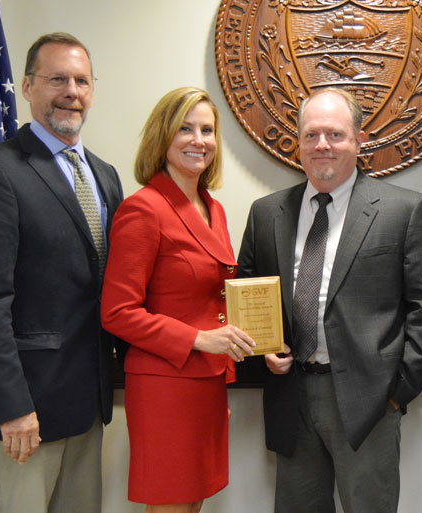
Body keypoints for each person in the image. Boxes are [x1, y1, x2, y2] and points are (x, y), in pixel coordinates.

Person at [237, 87, 422, 513]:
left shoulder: (403, 210)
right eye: (312, 135)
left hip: (368, 401)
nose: (322, 146)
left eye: (335, 135)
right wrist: (264, 354)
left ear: (359, 139)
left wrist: (396, 392)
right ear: (298, 142)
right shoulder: (266, 212)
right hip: (290, 396)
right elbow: (248, 294)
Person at [0, 32, 123, 513]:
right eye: (57, 79)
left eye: (81, 80)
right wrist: (11, 407)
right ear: (27, 87)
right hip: (27, 410)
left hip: (89, 403)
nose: (71, 91)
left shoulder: (105, 174)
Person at [100, 86, 254, 512]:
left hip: (206, 384)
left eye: (207, 130)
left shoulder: (213, 208)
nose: (198, 140)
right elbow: (117, 312)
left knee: (193, 503)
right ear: (162, 137)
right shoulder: (143, 209)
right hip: (164, 385)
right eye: (185, 129)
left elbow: (213, 298)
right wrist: (200, 340)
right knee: (171, 505)